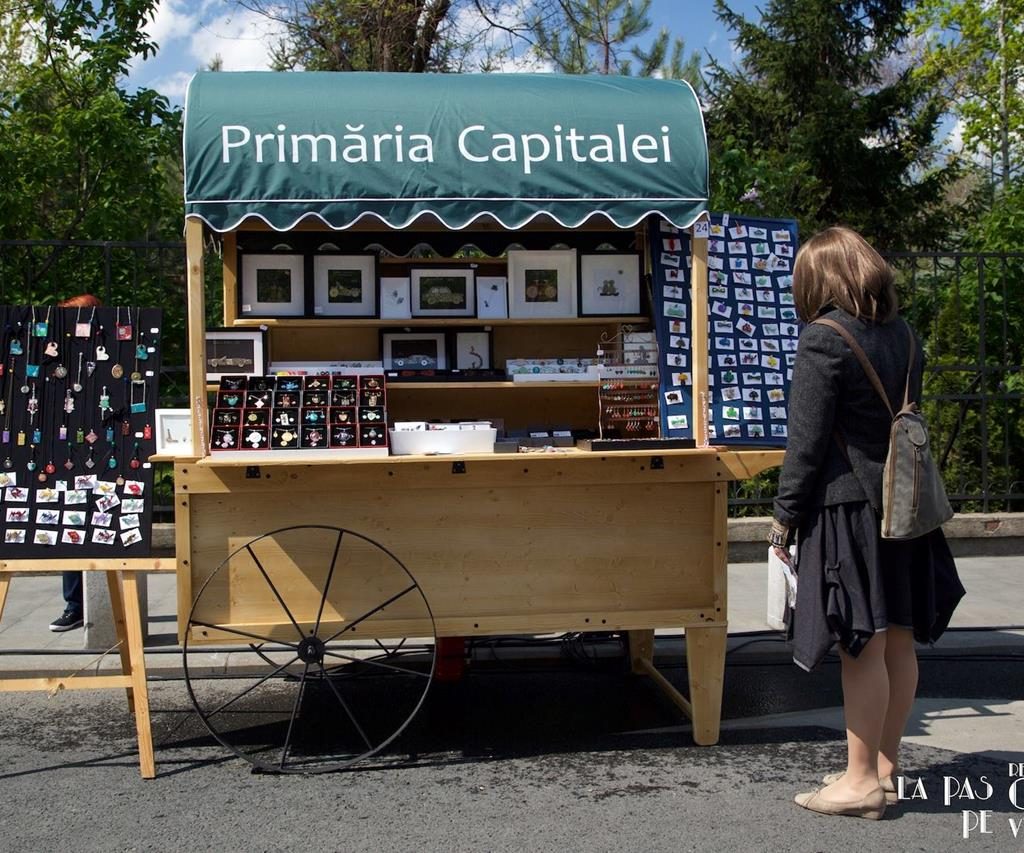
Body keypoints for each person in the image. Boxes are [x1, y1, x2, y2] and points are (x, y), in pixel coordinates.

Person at [768, 227, 965, 819]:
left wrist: (783, 519)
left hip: (848, 510)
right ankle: (883, 768)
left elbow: (805, 444)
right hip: (904, 508)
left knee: (861, 644)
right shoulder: (903, 334)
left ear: (818, 279)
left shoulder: (822, 339)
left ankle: (859, 784)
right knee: (898, 639)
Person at [48, 293, 102, 632]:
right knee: (71, 522)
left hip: (105, 449)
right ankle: (75, 604)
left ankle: (81, 604)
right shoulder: (60, 357)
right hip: (68, 449)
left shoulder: (108, 351)